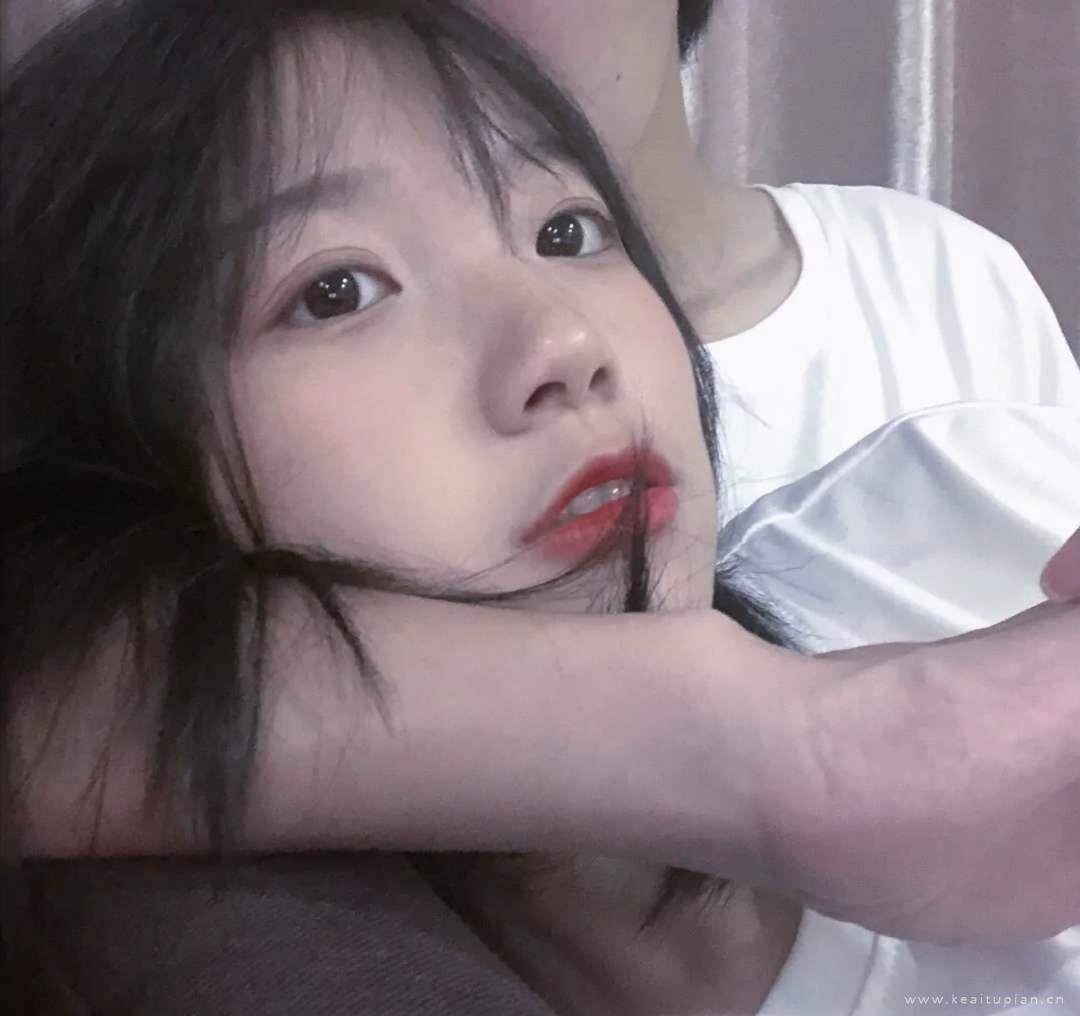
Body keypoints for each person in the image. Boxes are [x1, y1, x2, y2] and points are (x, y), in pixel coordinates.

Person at [3, 5, 1079, 1010]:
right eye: (337, 290)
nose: (565, 344)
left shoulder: (969, 494)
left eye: (570, 230)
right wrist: (790, 752)